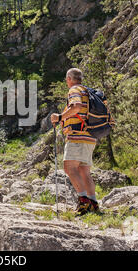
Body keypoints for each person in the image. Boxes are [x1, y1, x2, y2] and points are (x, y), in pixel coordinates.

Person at [51, 68, 99, 216]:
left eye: (66, 79)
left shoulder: (74, 90)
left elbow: (76, 107)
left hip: (77, 135)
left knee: (69, 168)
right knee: (84, 171)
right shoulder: (87, 91)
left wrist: (60, 117)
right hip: (90, 136)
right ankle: (93, 203)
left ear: (69, 78)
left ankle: (83, 202)